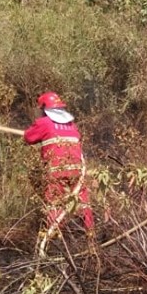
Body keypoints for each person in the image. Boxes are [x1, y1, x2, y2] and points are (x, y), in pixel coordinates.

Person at [23, 91, 94, 246]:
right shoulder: (71, 125)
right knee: (83, 204)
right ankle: (90, 238)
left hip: (57, 172)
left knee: (55, 204)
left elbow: (28, 137)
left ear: (44, 109)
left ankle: (55, 240)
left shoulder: (44, 123)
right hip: (78, 171)